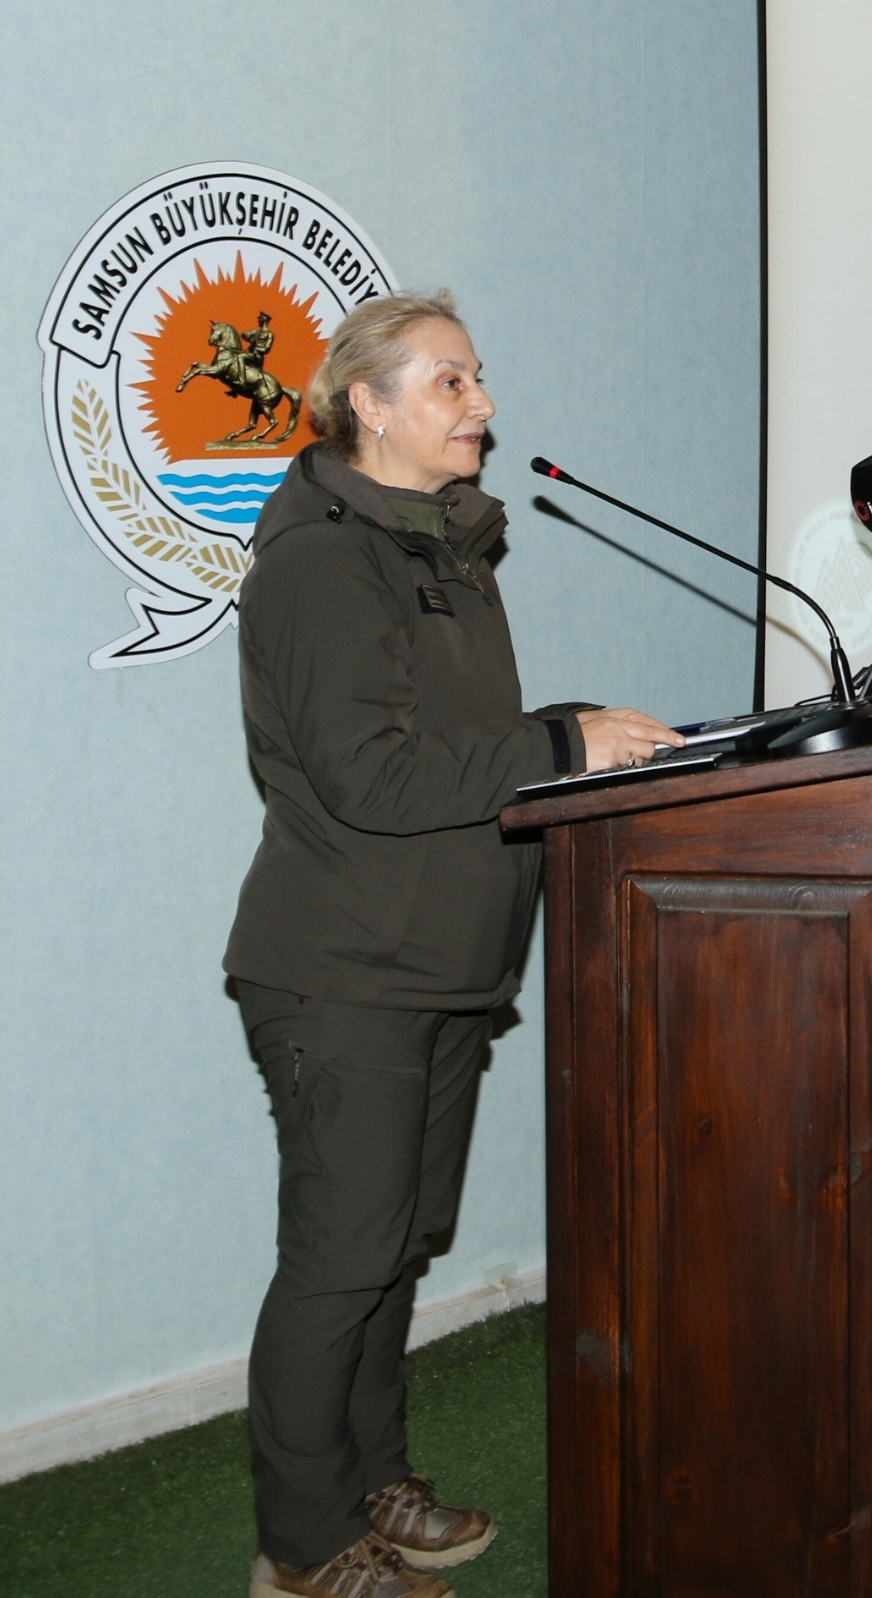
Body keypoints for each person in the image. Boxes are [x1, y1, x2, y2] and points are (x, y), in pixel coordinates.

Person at [230, 290, 675, 1598]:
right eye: (451, 383)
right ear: (368, 406)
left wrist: (576, 727)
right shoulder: (319, 563)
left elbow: (452, 744)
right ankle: (303, 1549)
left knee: (391, 1248)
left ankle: (373, 1483)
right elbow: (371, 774)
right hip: (344, 975)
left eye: (477, 380)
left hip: (443, 969)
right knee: (339, 1265)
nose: (483, 405)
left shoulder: (444, 552)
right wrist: (558, 744)